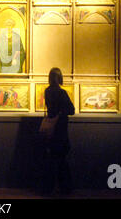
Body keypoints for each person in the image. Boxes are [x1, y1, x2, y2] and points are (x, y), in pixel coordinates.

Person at [38, 67, 75, 195]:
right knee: (62, 160)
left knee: (51, 160)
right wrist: (62, 111)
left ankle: (48, 188)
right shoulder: (62, 93)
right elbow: (72, 110)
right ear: (60, 78)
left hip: (51, 131)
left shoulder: (47, 91)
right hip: (60, 130)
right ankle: (65, 188)